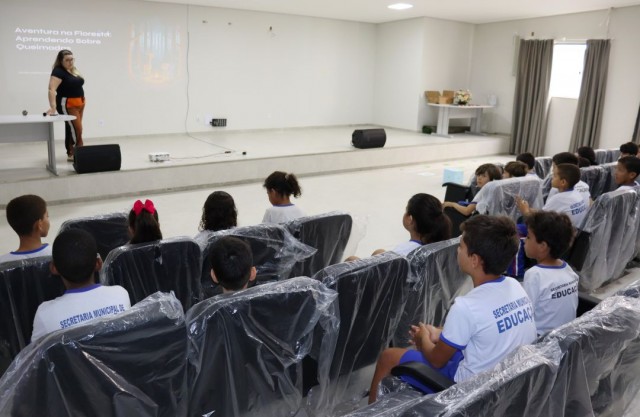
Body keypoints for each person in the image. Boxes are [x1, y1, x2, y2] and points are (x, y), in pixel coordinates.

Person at [368, 216, 536, 402]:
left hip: (467, 390)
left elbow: (436, 359)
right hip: (501, 381)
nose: (457, 251)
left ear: (474, 260)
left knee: (388, 356)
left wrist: (423, 338)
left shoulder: (466, 306)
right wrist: (438, 334)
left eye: (461, 247)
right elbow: (482, 330)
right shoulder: (516, 286)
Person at [30, 229, 131, 342]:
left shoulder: (45, 315)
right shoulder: (120, 295)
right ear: (98, 264)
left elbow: (35, 357)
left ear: (54, 268)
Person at [522, 211, 578, 336]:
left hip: (541, 342)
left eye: (529, 237)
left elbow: (524, 316)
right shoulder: (568, 270)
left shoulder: (534, 274)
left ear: (542, 246)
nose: (525, 240)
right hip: (566, 337)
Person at [517, 164, 588, 228]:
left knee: (519, 223)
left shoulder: (558, 198)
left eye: (554, 176)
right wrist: (529, 208)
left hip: (556, 237)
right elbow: (544, 212)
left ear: (563, 182)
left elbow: (538, 222)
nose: (552, 178)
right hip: (571, 233)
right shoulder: (577, 194)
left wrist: (525, 211)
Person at [46, 50, 85, 161]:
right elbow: (51, 89)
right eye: (67, 60)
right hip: (67, 104)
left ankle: (71, 152)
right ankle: (79, 152)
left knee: (71, 127)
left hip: (80, 103)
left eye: (72, 59)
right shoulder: (58, 71)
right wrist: (53, 107)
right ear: (61, 61)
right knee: (77, 128)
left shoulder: (73, 70)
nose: (70, 62)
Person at [0, 195, 51, 264]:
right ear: (40, 225)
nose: (48, 220)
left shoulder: (3, 263)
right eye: (47, 216)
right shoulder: (57, 256)